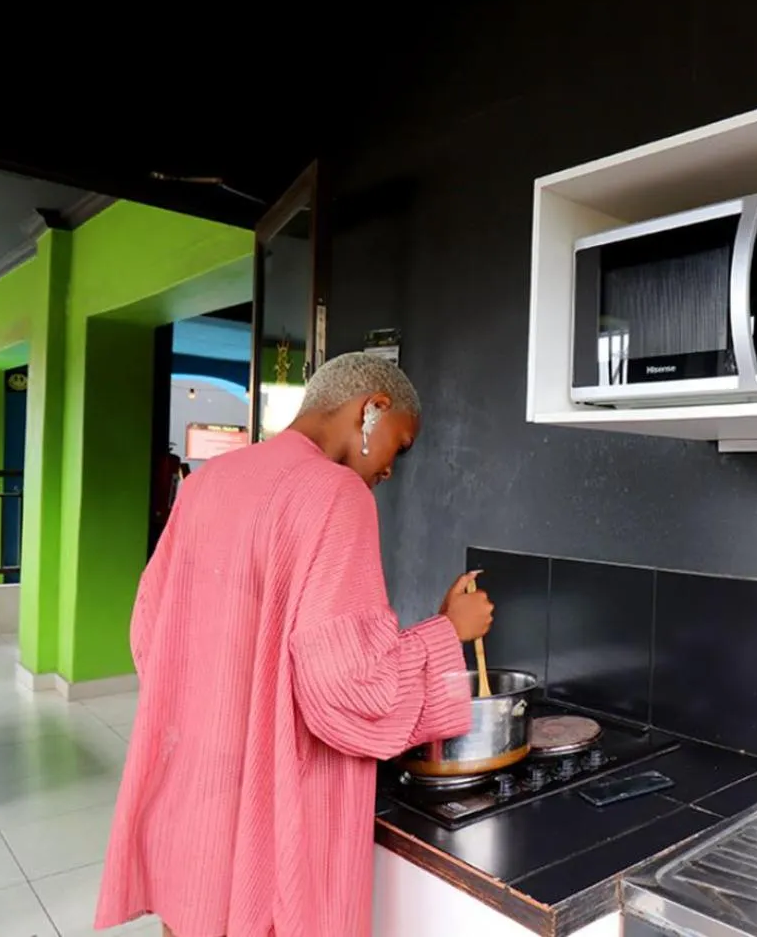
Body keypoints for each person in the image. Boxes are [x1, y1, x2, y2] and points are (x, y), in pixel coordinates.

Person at [95, 353, 493, 937]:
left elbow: (152, 631)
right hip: (271, 808)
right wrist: (448, 632)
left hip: (195, 798)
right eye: (398, 447)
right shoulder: (336, 494)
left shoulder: (208, 482)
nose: (390, 470)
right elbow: (351, 688)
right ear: (371, 410)